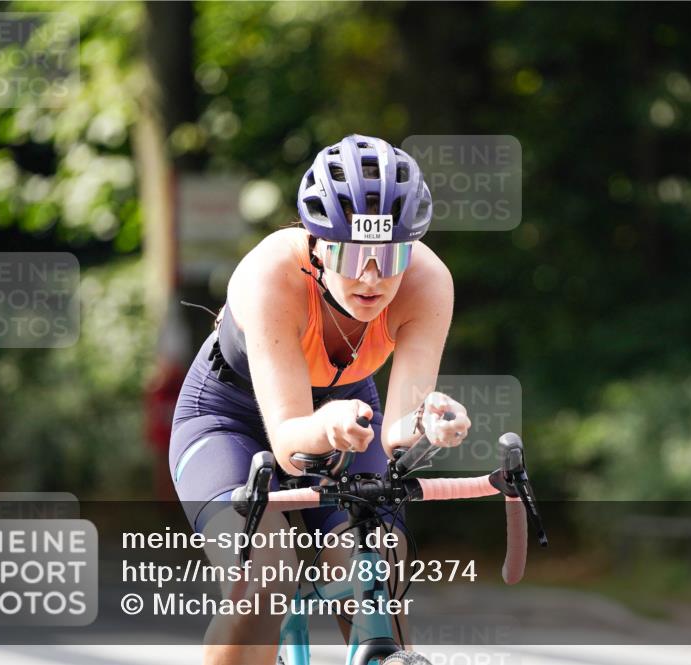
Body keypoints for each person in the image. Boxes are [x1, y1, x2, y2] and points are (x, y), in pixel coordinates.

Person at [169, 134, 472, 665]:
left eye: (390, 253)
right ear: (317, 244)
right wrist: (325, 423)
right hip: (228, 419)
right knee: (268, 572)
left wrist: (430, 418)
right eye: (354, 252)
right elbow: (289, 443)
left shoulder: (428, 282)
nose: (372, 276)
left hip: (347, 414)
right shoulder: (270, 276)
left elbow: (398, 425)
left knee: (378, 564)